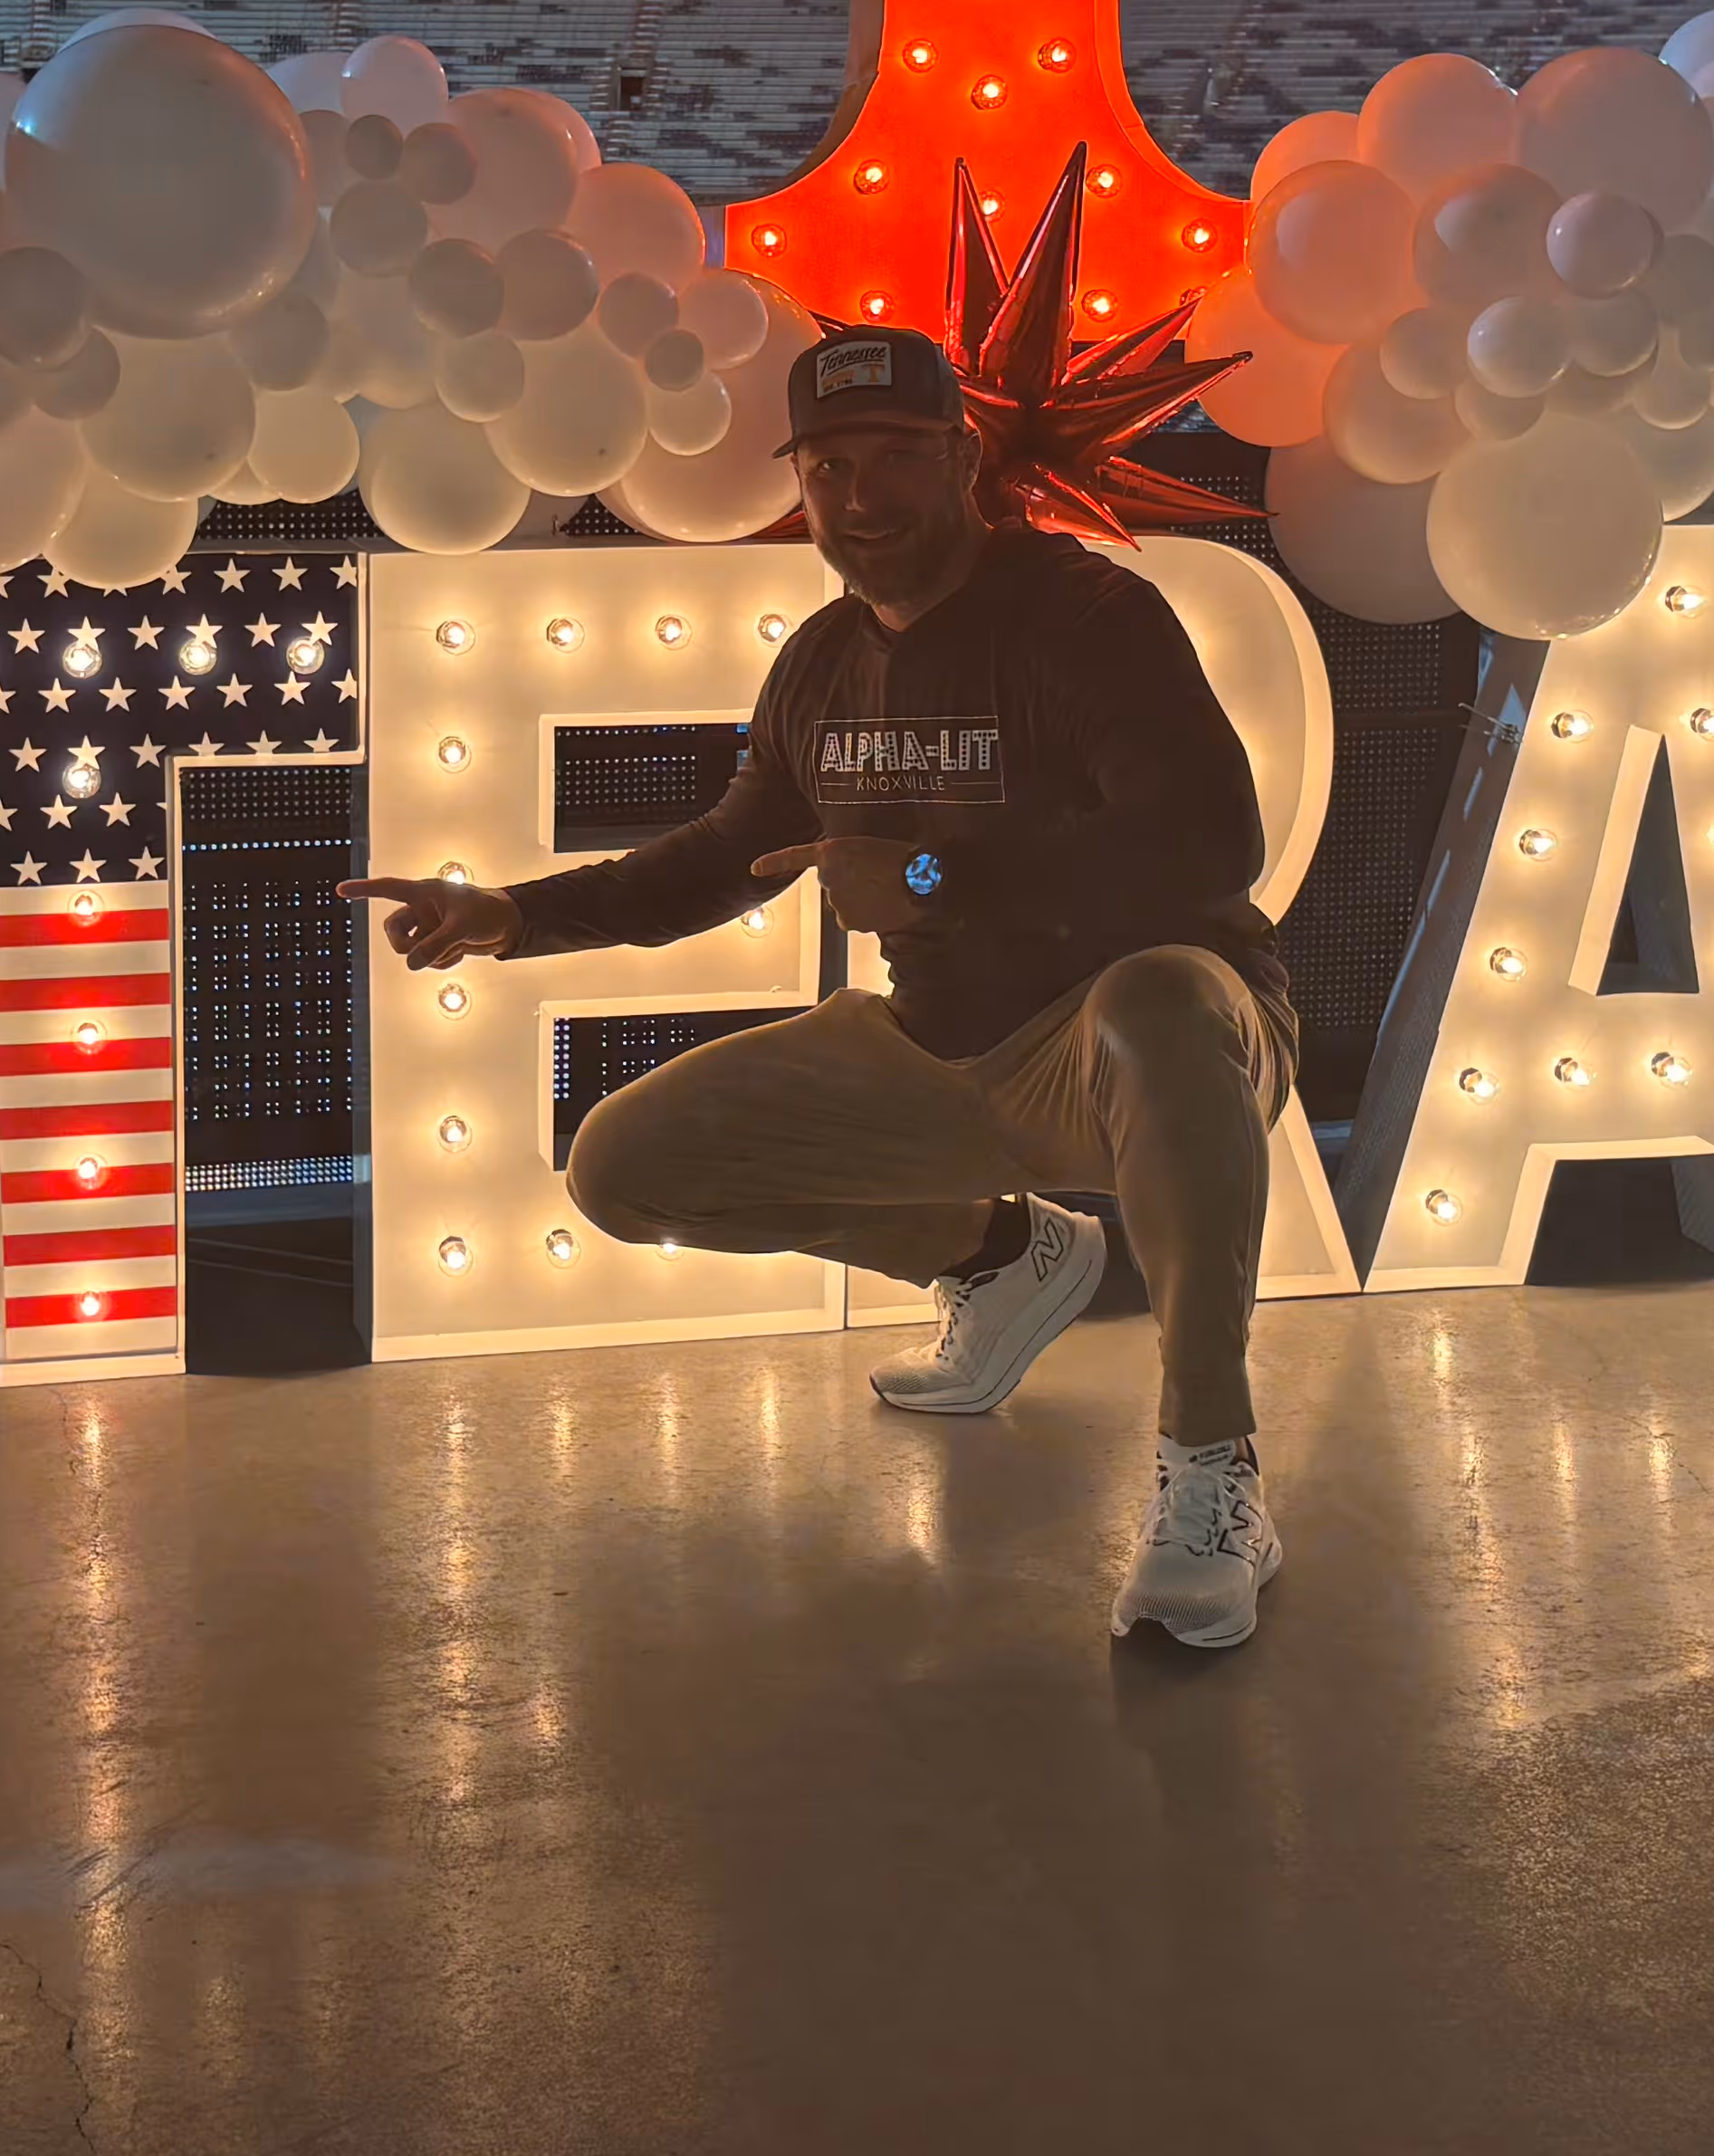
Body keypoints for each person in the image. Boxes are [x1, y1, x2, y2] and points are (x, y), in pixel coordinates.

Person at [343, 326, 1302, 1647]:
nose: (861, 502)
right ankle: (1000, 1258)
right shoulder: (820, 663)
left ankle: (1214, 1469)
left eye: (898, 460)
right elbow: (723, 859)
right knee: (625, 1166)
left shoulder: (1086, 616)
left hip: (1134, 1038)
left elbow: (1208, 843)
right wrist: (513, 915)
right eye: (831, 467)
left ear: (964, 459)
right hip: (938, 1050)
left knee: (1158, 1006)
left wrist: (928, 880)